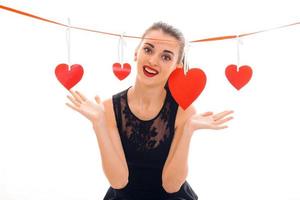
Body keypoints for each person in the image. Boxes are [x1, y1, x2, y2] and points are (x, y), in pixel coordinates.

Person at [65, 21, 234, 200]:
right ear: (136, 52)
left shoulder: (184, 111)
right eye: (148, 49)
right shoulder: (108, 108)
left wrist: (188, 130)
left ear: (177, 65)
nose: (153, 61)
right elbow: (119, 181)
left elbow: (171, 185)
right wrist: (98, 123)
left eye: (166, 57)